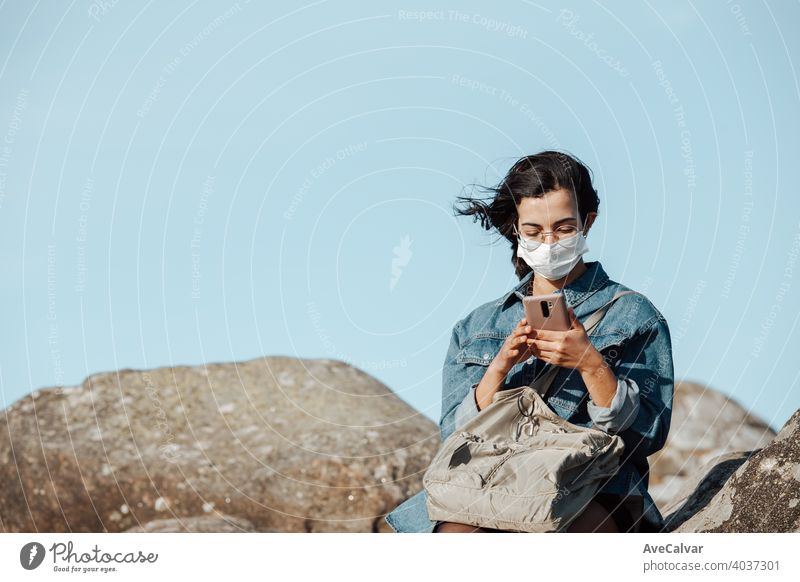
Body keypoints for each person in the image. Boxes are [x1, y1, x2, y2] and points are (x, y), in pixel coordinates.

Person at [384, 151, 675, 534]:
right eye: (535, 232)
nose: (550, 242)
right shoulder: (475, 328)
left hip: (591, 489)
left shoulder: (635, 316)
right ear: (517, 230)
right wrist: (499, 367)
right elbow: (454, 441)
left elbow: (648, 436)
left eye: (565, 228)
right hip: (493, 485)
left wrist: (590, 363)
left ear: (588, 222)